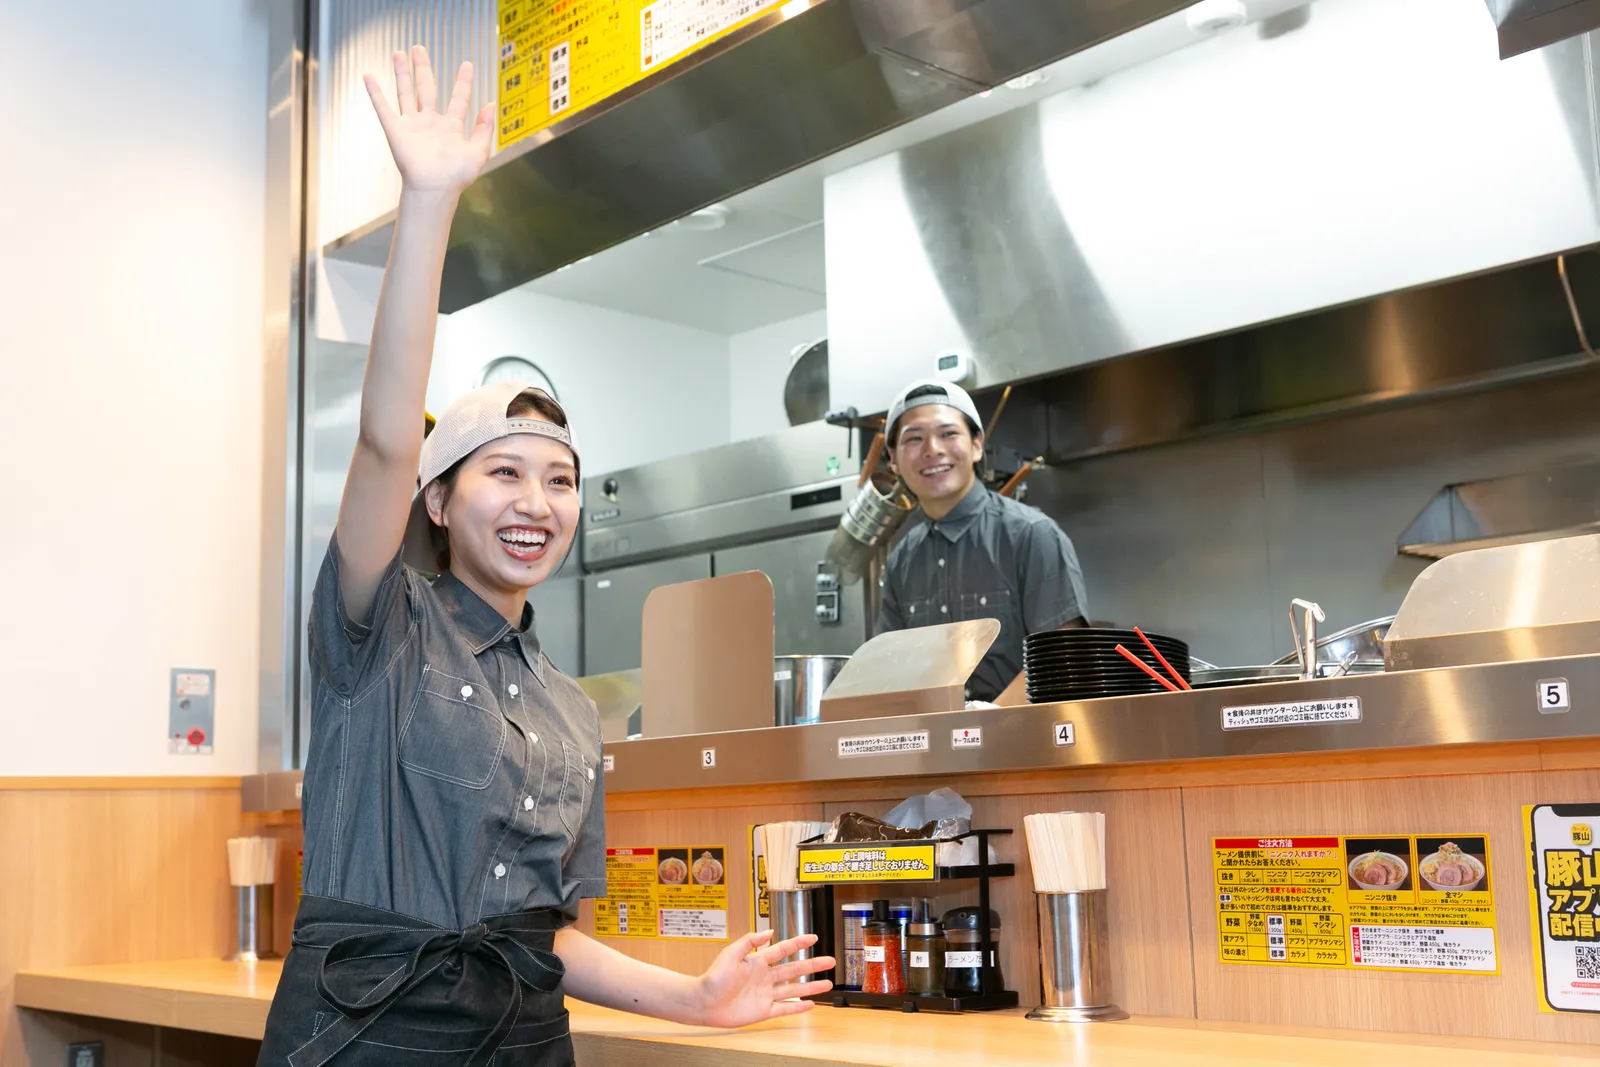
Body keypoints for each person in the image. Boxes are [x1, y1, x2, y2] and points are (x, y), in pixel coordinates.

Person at [257, 47, 832, 1067]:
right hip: (364, 1031)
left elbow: (540, 933)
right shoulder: (379, 628)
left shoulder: (570, 708)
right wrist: (429, 201)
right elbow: (385, 439)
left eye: (559, 479)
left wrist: (694, 997)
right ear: (439, 500)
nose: (537, 501)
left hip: (524, 1037)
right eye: (503, 473)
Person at [875, 379, 1089, 704]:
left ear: (977, 445)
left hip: (1026, 732)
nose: (932, 449)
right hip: (933, 735)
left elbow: (1064, 653)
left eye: (948, 434)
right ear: (893, 459)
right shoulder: (901, 560)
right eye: (914, 438)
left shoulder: (1032, 534)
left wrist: (986, 719)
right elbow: (889, 668)